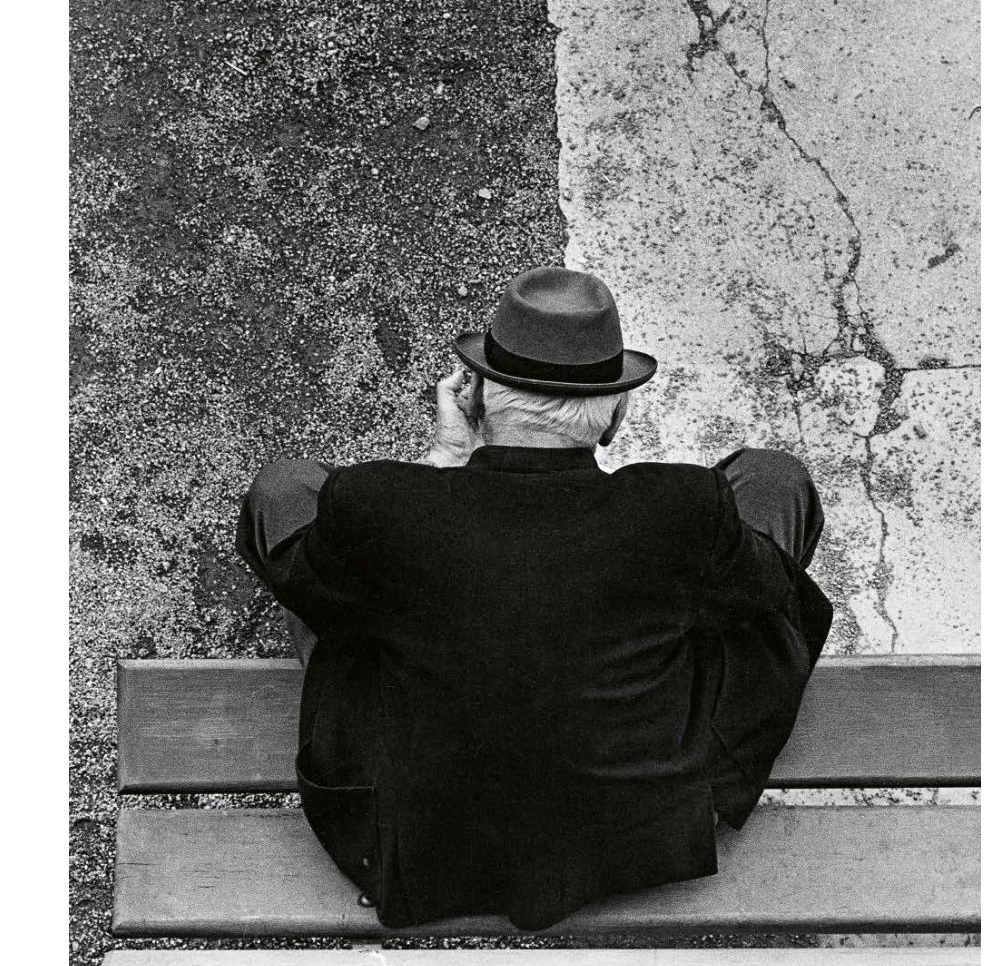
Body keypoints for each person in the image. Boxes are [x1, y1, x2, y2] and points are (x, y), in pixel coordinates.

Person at [236, 265, 833, 931]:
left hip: (410, 848)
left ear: (476, 400)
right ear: (616, 414)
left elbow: (303, 560)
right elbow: (772, 598)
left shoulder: (376, 503)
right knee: (771, 485)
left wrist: (444, 462)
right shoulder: (684, 509)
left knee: (291, 498)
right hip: (637, 840)